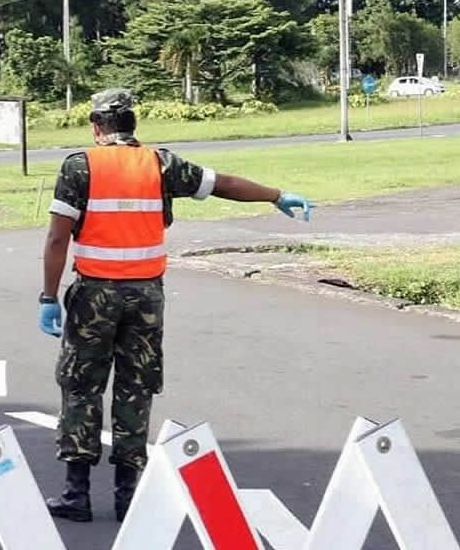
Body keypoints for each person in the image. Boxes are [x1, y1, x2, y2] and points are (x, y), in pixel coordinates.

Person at [39, 88, 311, 524]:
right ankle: (129, 496)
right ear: (132, 126)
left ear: (97, 127)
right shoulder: (161, 164)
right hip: (146, 297)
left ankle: (77, 494)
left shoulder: (80, 166)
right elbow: (222, 184)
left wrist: (49, 297)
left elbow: (57, 239)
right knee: (136, 387)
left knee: (82, 385)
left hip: (94, 296)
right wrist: (275, 195)